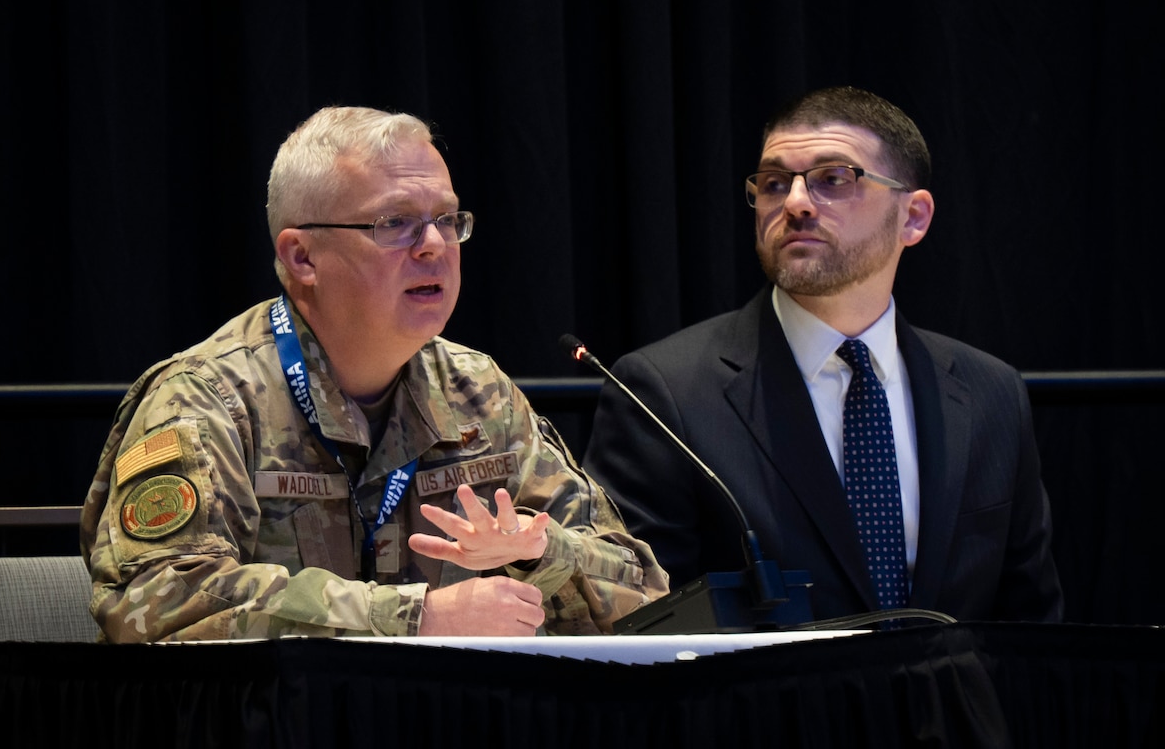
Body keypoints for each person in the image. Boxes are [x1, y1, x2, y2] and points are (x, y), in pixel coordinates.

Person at [80, 105, 668, 642]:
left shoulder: (479, 393)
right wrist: (416, 619)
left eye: (446, 218)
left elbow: (645, 593)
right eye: (395, 223)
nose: (434, 244)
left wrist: (541, 553)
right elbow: (156, 604)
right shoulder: (206, 400)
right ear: (301, 257)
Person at [582, 85, 1063, 624]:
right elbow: (641, 623)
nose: (795, 203)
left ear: (914, 217)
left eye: (833, 179)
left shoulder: (990, 391)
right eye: (773, 183)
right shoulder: (665, 392)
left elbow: (1030, 626)